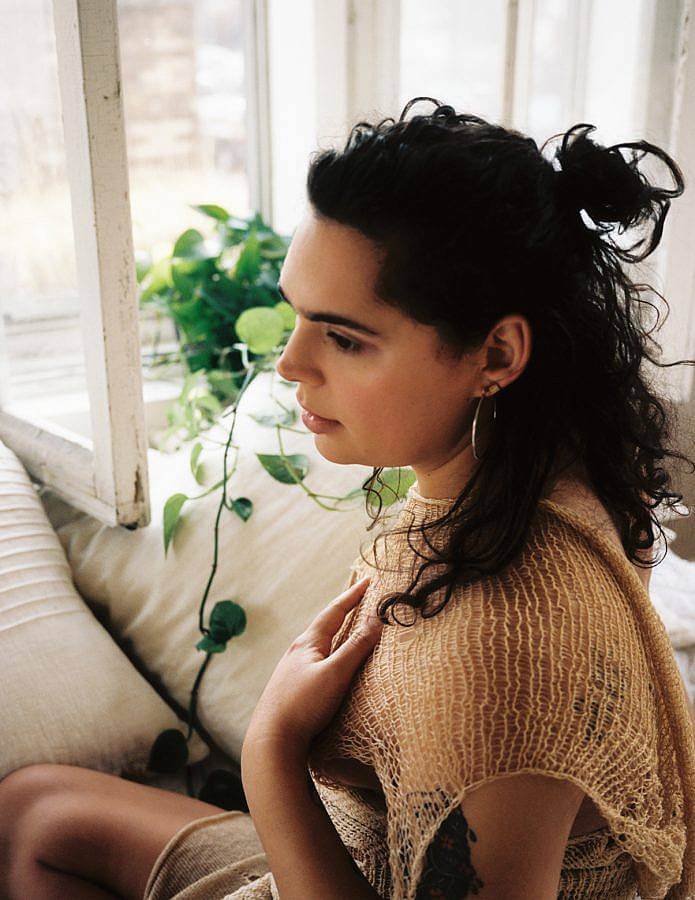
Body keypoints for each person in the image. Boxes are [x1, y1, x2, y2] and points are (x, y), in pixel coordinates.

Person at [2, 96, 695, 900]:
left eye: (344, 336)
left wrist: (271, 753)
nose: (290, 365)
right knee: (36, 809)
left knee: (33, 834)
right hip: (362, 850)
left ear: (496, 353)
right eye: (298, 317)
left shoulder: (501, 647)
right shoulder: (561, 470)